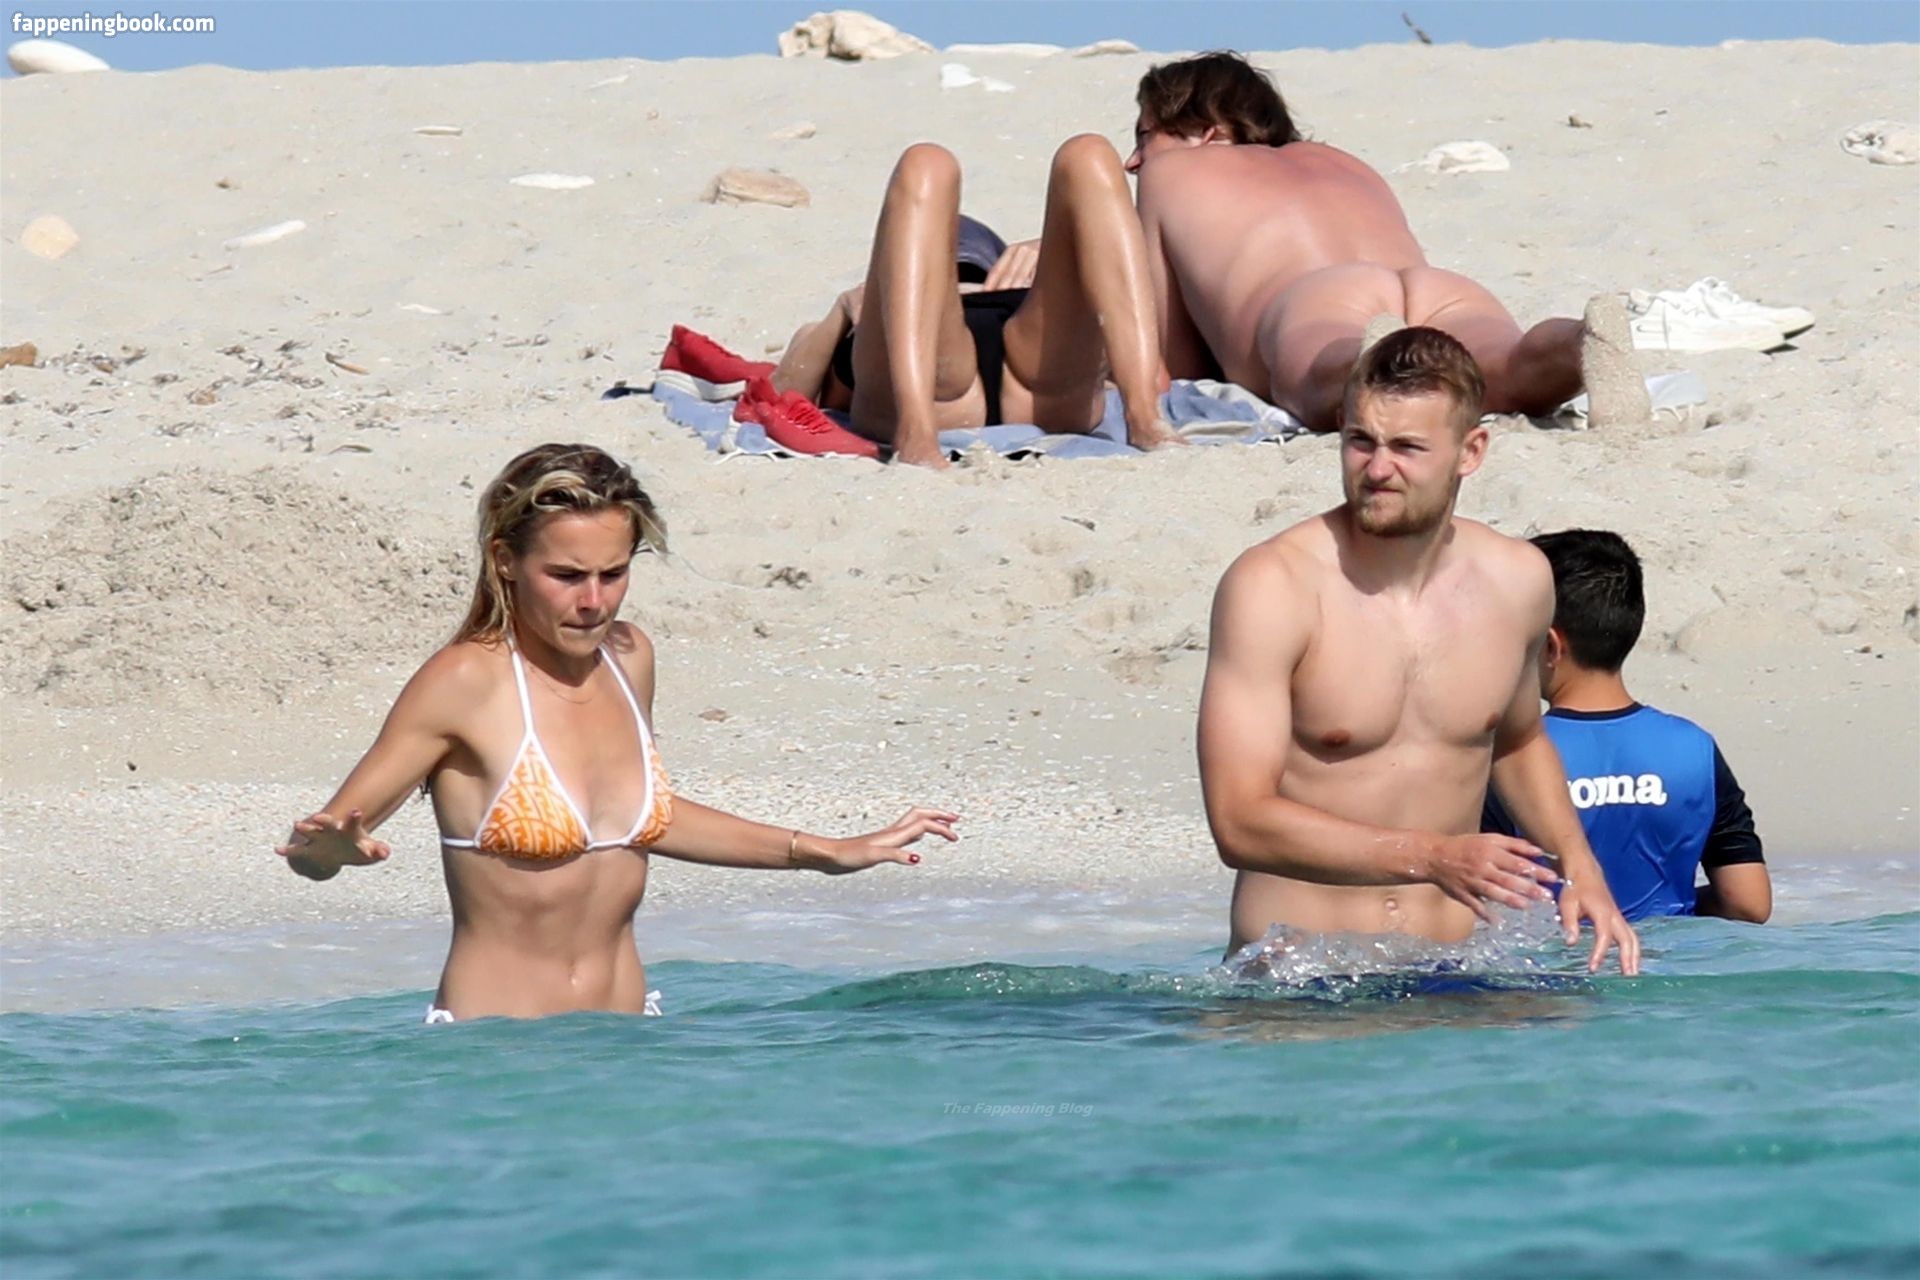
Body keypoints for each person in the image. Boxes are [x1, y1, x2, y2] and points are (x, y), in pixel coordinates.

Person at [276, 443, 960, 1021]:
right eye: (566, 575)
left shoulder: (630, 658)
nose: (593, 601)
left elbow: (643, 818)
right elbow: (315, 846)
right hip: (497, 1052)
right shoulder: (464, 682)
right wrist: (330, 853)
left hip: (633, 1037)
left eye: (614, 573)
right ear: (505, 560)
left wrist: (823, 851)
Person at [1195, 326, 1640, 974]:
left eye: (1406, 447)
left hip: (1455, 973)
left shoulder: (1517, 580)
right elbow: (1238, 822)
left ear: (1471, 451)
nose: (1378, 469)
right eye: (1360, 442)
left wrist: (1580, 865)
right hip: (1301, 983)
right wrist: (1432, 856)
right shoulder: (1274, 587)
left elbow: (1517, 741)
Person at [1124, 51, 1650, 434]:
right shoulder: (1342, 161)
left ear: (1208, 131)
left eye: (1146, 136)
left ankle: (1368, 359)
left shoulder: (1172, 173)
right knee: (1503, 370)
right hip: (1436, 287)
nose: (1133, 160)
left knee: (1323, 376)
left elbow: (1172, 355)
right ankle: (1578, 342)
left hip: (1316, 300)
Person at [768, 135, 1179, 467]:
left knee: (1088, 153)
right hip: (963, 387)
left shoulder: (1013, 290)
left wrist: (1060, 260)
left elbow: (1153, 372)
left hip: (1018, 372)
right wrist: (844, 308)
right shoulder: (875, 310)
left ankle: (1143, 416)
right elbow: (783, 390)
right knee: (927, 163)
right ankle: (916, 432)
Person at [1482, 530, 1770, 923]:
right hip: (1670, 957)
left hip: (1559, 956)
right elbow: (1748, 902)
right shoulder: (1694, 747)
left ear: (1549, 646)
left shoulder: (1509, 757)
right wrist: (1671, 911)